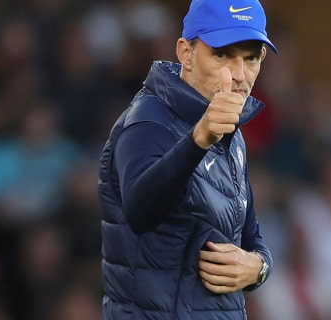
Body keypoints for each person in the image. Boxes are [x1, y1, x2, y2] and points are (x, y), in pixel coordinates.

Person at [97, 0, 278, 318]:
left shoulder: (232, 136)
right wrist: (199, 139)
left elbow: (250, 238)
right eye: (222, 54)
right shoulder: (148, 123)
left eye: (250, 58)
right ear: (185, 53)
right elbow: (139, 213)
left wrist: (259, 268)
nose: (238, 75)